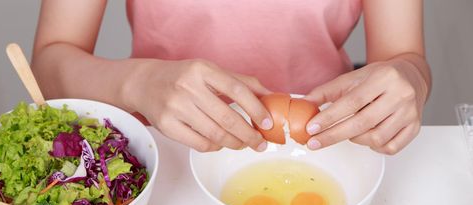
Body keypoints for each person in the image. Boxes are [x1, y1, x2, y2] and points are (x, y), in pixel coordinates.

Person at [31, 0, 431, 155]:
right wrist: (138, 81)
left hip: (328, 150)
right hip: (165, 154)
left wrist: (411, 78)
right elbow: (48, 67)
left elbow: (404, 58)